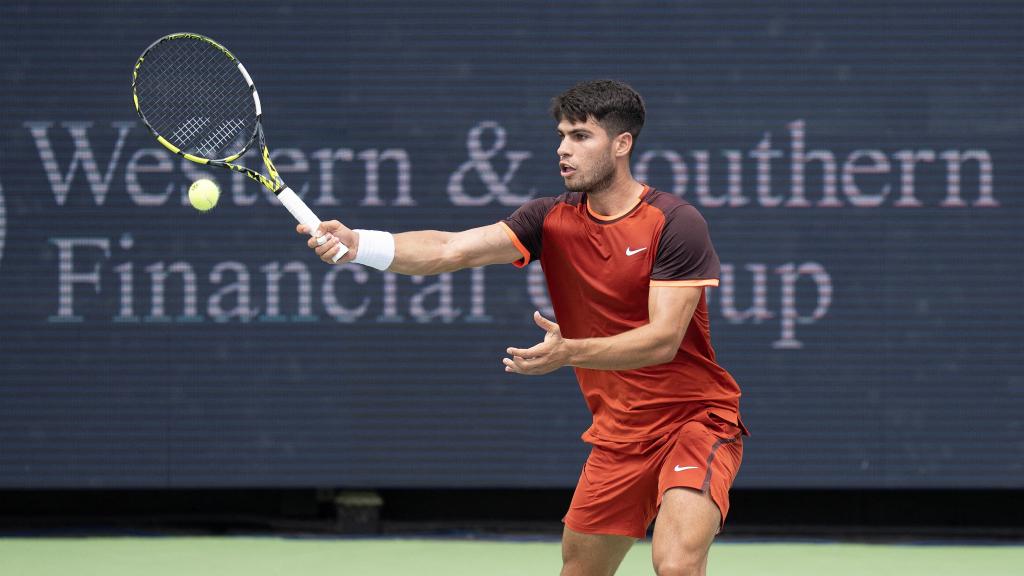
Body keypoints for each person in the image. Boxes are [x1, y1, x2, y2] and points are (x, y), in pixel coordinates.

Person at [299, 79, 747, 576]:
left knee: (676, 564)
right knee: (580, 570)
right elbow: (451, 249)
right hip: (618, 432)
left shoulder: (674, 223)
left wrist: (568, 351)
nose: (563, 149)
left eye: (581, 136)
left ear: (622, 145)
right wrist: (360, 243)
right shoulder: (549, 218)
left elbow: (663, 341)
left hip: (696, 421)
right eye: (561, 135)